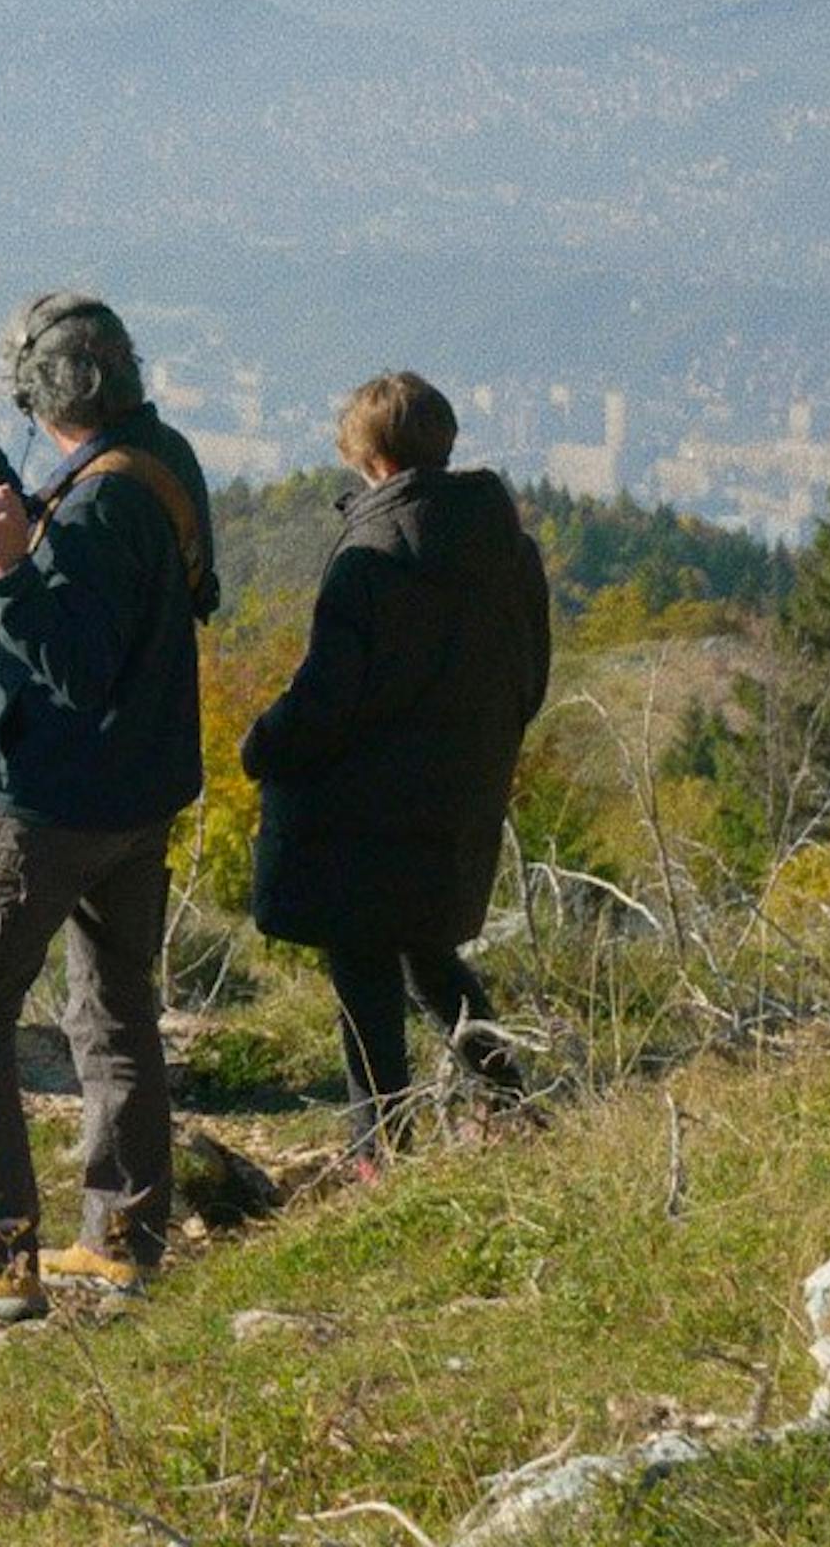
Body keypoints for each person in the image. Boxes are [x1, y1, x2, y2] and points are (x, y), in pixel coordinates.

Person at [0, 291, 219, 1318]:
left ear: (45, 395)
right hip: (140, 791)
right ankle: (122, 1238)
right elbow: (128, 589)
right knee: (116, 1008)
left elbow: (76, 656)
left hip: (46, 804)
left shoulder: (93, 505)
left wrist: (4, 569)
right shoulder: (156, 462)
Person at [243, 371, 549, 1171]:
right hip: (460, 797)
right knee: (430, 953)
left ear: (370, 458)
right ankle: (509, 1102)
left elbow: (328, 697)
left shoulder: (371, 557)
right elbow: (531, 678)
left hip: (364, 809)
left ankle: (377, 1148)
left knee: (366, 971)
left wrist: (264, 744)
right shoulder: (509, 549)